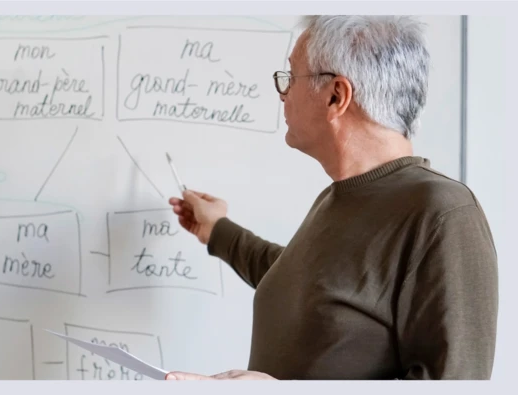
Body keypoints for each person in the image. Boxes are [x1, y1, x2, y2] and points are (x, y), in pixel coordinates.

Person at [165, 15, 499, 380]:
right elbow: (307, 288)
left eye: (291, 76)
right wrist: (217, 230)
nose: (283, 92)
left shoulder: (444, 213)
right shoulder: (338, 198)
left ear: (336, 96)